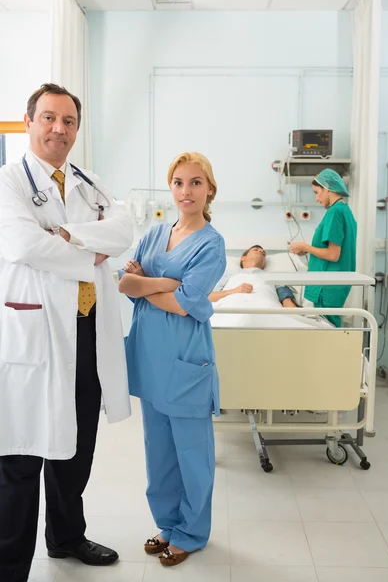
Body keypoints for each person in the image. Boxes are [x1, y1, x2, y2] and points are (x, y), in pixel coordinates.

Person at [0, 83, 133, 581]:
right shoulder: (9, 181)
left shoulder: (87, 181)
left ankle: (66, 537)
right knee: (19, 458)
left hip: (86, 331)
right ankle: (10, 565)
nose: (60, 128)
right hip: (34, 332)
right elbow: (24, 246)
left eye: (69, 121)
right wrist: (88, 252)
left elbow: (123, 229)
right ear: (30, 121)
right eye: (50, 118)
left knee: (76, 449)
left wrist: (69, 237)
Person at [119, 152, 226, 567]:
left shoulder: (211, 243)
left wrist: (147, 284)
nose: (186, 191)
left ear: (209, 189)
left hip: (185, 362)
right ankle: (167, 523)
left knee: (192, 454)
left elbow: (187, 303)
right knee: (158, 450)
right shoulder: (154, 232)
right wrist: (162, 283)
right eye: (179, 182)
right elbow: (125, 283)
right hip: (150, 357)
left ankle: (192, 532)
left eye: (195, 183)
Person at [289, 168, 357, 327]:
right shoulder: (345, 211)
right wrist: (306, 249)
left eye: (317, 192)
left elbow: (333, 254)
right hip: (334, 287)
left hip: (324, 289)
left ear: (327, 188)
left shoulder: (335, 212)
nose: (317, 198)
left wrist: (305, 246)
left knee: (322, 339)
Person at [209, 244, 299, 307]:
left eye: (263, 253)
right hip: (232, 308)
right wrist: (234, 291)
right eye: (256, 250)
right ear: (243, 257)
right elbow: (208, 297)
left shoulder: (274, 277)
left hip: (267, 310)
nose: (261, 251)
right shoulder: (230, 273)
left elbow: (287, 301)